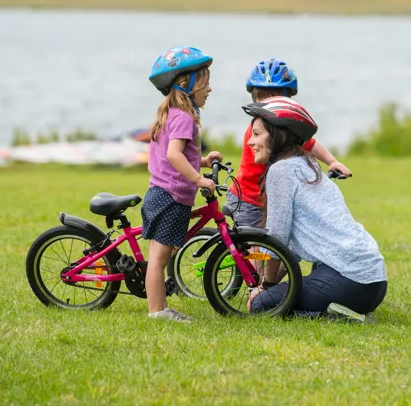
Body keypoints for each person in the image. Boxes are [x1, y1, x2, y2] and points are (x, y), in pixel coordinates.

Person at [242, 97, 387, 321]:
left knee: (262, 305)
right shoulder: (309, 165)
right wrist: (272, 285)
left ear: (278, 135)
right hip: (374, 282)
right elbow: (293, 250)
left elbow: (276, 239)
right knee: (274, 297)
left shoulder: (281, 171)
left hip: (348, 279)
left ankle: (341, 317)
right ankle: (346, 309)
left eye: (257, 134)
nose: (250, 141)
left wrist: (267, 286)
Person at [142, 46, 222, 322]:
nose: (209, 89)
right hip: (170, 196)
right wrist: (200, 179)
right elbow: (173, 155)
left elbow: (180, 156)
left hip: (163, 193)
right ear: (186, 85)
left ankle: (161, 307)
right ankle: (157, 312)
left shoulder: (173, 115)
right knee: (159, 258)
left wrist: (202, 160)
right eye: (204, 82)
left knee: (159, 255)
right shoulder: (184, 118)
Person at [223, 58, 351, 228]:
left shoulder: (284, 130)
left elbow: (310, 144)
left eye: (276, 96)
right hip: (248, 200)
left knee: (278, 243)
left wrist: (332, 161)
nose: (269, 103)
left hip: (267, 199)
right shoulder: (259, 129)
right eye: (261, 96)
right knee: (255, 247)